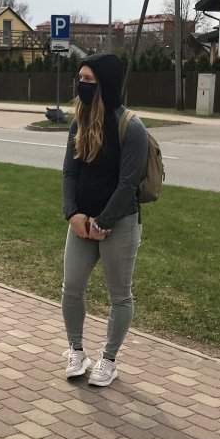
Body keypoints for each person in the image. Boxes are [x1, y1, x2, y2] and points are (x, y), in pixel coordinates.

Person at [60, 53, 148, 387]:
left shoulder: (132, 128)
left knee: (119, 295)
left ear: (106, 84)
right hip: (82, 223)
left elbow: (128, 184)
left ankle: (108, 360)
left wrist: (104, 221)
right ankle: (76, 351)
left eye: (89, 80)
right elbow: (70, 171)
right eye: (79, 78)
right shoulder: (78, 121)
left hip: (120, 224)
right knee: (71, 288)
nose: (81, 86)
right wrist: (73, 215)